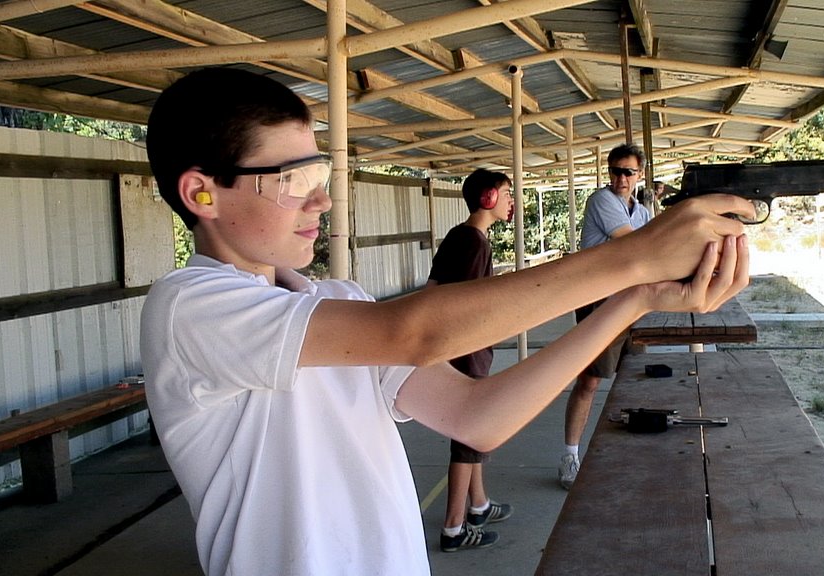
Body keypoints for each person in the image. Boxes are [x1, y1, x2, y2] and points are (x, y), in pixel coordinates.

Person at [140, 67, 753, 576]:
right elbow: (414, 332)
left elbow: (477, 418)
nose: (321, 200)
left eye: (319, 177)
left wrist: (636, 295)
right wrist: (630, 256)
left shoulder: (339, 299)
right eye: (292, 181)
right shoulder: (191, 305)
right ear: (202, 194)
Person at [425, 168, 515, 552]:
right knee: (467, 436)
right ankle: (453, 528)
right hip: (467, 350)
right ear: (488, 198)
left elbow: (432, 290)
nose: (512, 201)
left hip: (460, 349)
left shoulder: (462, 236)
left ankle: (477, 506)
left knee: (472, 433)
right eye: (507, 193)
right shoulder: (474, 243)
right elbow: (464, 306)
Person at [559, 143, 652, 490]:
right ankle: (570, 454)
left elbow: (651, 242)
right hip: (599, 299)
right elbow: (633, 244)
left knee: (632, 379)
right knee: (591, 380)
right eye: (615, 171)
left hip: (630, 300)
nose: (620, 178)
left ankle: (624, 454)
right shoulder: (602, 201)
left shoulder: (640, 211)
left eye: (628, 172)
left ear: (639, 175)